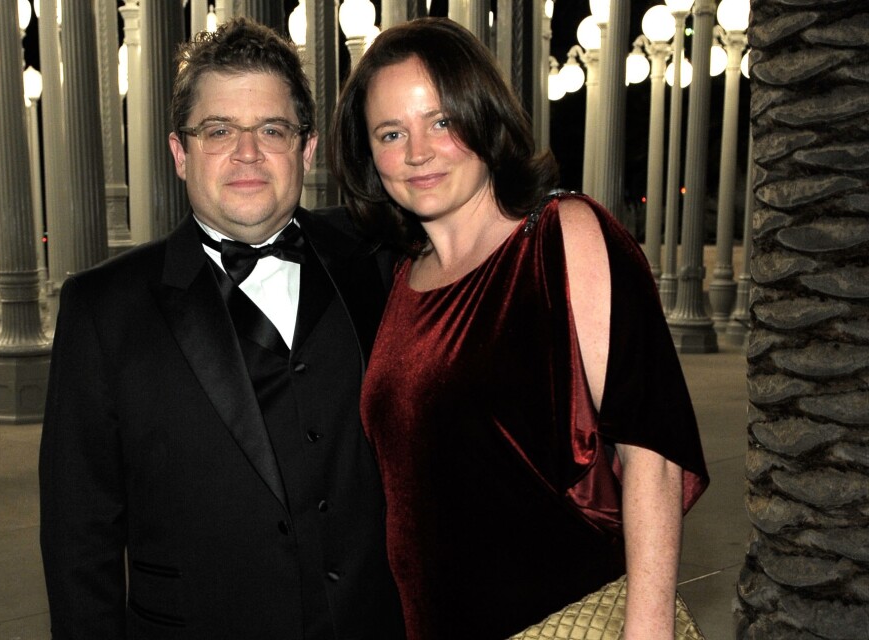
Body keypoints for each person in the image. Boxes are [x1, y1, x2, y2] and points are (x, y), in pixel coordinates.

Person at [330, 17, 710, 640]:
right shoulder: (400, 279)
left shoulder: (562, 236)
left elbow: (652, 451)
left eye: (442, 122)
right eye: (391, 133)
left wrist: (648, 629)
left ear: (485, 118)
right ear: (368, 154)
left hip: (564, 618)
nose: (418, 152)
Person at [39, 18, 404, 639]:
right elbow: (80, 538)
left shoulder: (378, 258)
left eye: (272, 129)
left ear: (306, 149)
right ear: (180, 153)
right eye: (218, 130)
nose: (248, 153)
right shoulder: (102, 309)